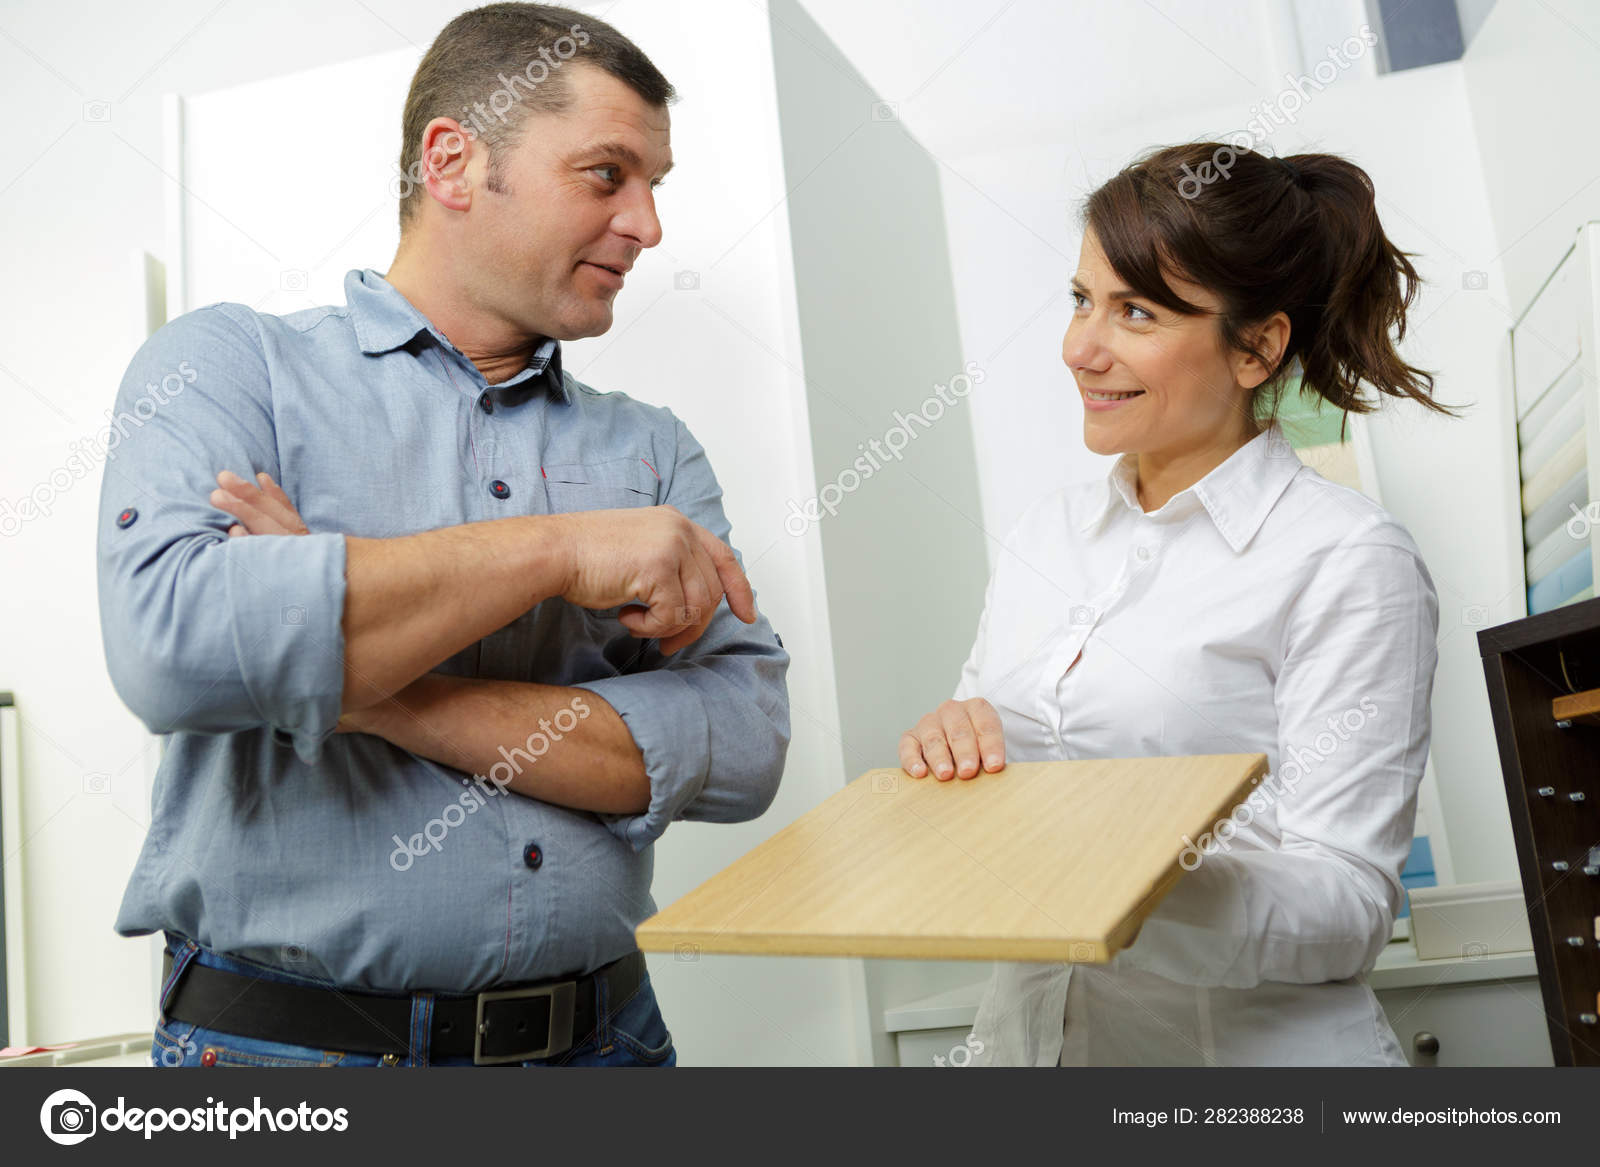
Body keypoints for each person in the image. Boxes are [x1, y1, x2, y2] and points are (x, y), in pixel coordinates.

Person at [98, 3, 790, 1068]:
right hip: (288, 1065)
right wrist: (558, 552)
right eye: (608, 175)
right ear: (455, 162)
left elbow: (742, 744)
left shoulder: (651, 452)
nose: (648, 224)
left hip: (607, 1047)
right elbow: (173, 651)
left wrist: (361, 681)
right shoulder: (230, 370)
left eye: (656, 186)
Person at [897, 144, 1453, 1066]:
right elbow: (990, 777)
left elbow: (1348, 906)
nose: (1081, 347)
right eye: (1081, 299)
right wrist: (953, 746)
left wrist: (1115, 890)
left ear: (1257, 347)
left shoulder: (1348, 559)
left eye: (1138, 311)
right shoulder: (1046, 537)